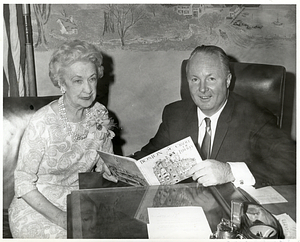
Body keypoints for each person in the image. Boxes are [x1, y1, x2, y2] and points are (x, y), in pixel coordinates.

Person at [133, 45, 296, 188]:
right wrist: (113, 166)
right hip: (185, 211)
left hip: (232, 210)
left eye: (211, 79)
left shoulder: (256, 118)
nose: (202, 89)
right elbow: (150, 154)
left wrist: (229, 172)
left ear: (227, 80)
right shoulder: (174, 113)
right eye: (195, 79)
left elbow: (291, 165)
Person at [8, 39, 118, 239]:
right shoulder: (42, 122)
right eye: (78, 81)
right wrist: (61, 218)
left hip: (78, 202)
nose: (88, 89)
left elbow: (105, 161)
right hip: (36, 206)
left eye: (92, 79)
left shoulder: (99, 113)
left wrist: (113, 169)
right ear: (61, 83)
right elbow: (23, 183)